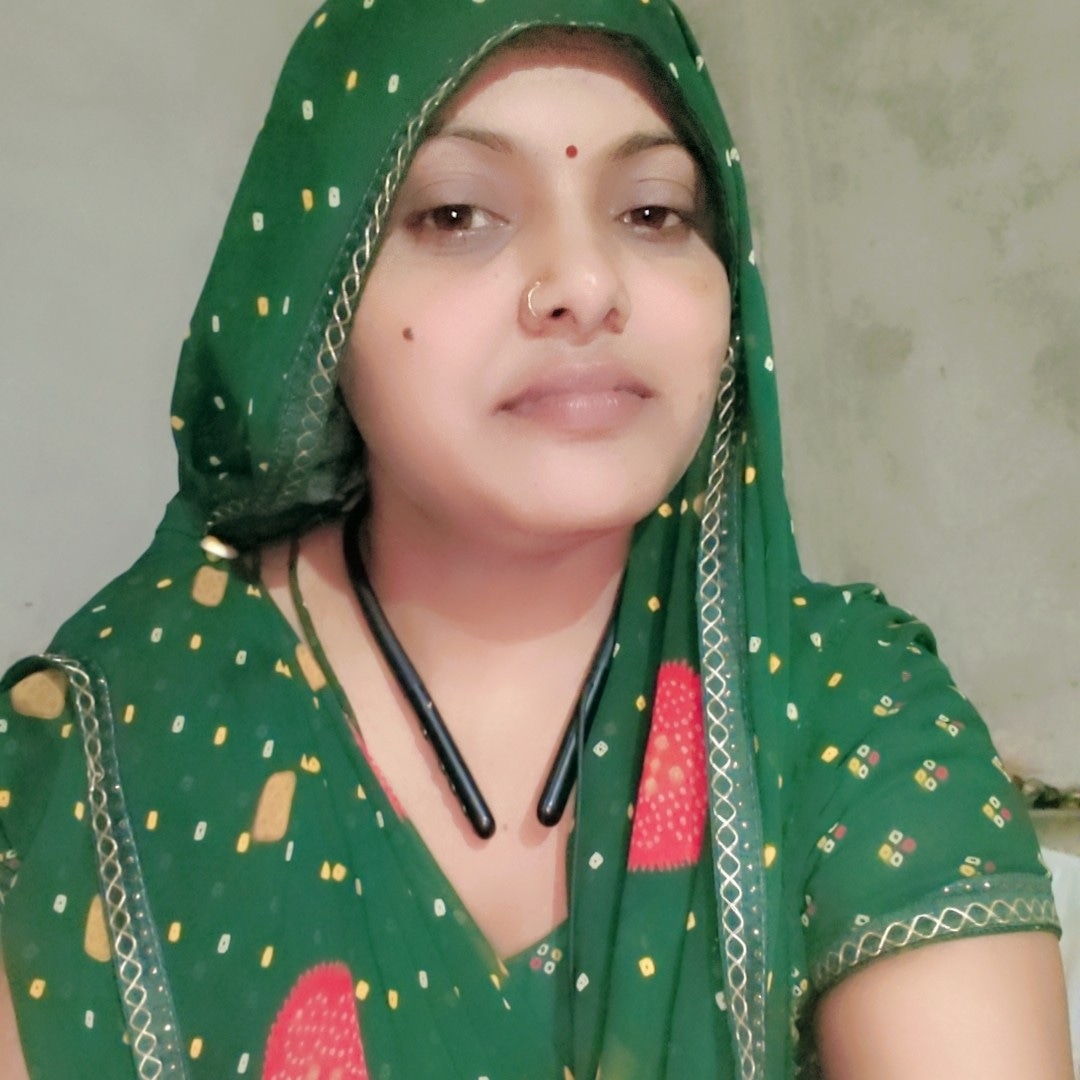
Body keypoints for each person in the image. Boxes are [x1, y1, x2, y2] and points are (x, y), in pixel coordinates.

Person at [0, 1, 1072, 1077]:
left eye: (652, 212)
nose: (587, 287)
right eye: (458, 213)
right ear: (318, 295)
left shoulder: (841, 711)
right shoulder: (100, 750)